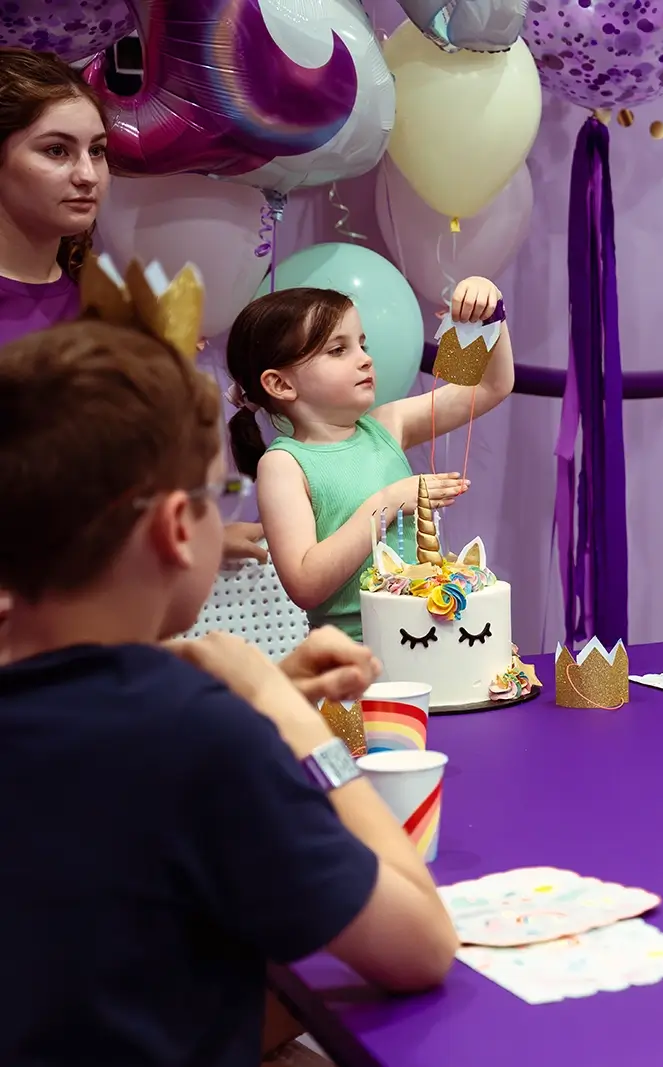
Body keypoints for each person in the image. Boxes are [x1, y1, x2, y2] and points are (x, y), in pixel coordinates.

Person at [0, 315, 459, 1067]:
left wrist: (265, 695)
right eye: (223, 494)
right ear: (179, 527)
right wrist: (290, 723)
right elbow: (421, 944)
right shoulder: (196, 733)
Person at [0, 46, 267, 566]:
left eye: (97, 151)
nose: (87, 174)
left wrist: (189, 539)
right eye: (56, 151)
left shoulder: (107, 308)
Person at [226, 280, 514, 639]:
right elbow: (304, 584)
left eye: (362, 344)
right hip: (356, 664)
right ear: (281, 384)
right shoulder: (283, 465)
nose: (365, 358)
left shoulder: (388, 424)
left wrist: (490, 312)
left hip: (434, 641)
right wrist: (387, 503)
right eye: (337, 350)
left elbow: (490, 387)